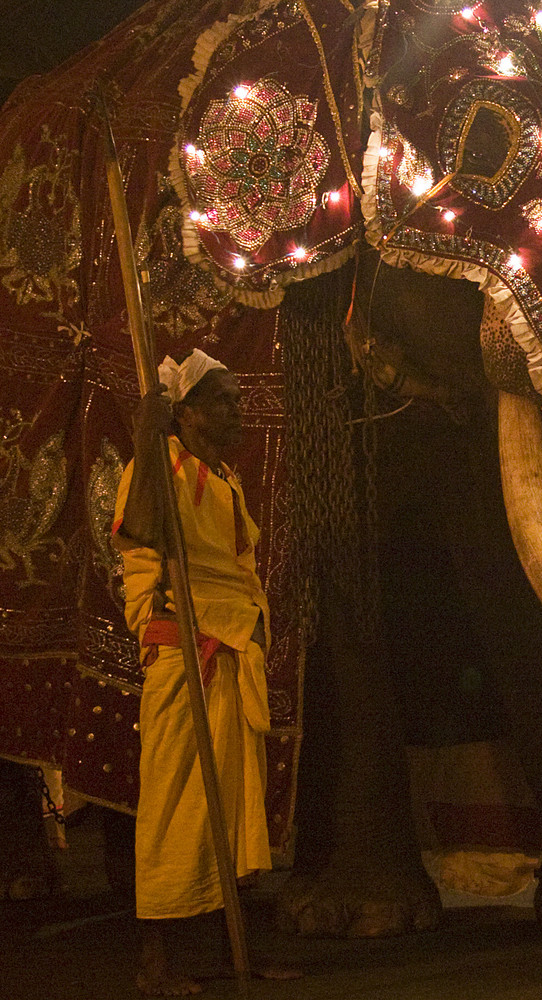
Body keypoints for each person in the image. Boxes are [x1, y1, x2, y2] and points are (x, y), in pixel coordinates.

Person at [113, 350, 298, 995]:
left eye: (238, 397)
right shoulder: (156, 468)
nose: (238, 409)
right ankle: (155, 964)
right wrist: (145, 429)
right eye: (223, 399)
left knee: (231, 811)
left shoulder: (221, 478)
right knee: (174, 808)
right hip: (184, 654)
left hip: (226, 650)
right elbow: (139, 529)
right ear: (185, 414)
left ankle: (236, 949)